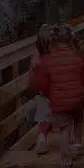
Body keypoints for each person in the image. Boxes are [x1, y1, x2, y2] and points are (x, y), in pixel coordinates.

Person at [31, 23, 84, 168]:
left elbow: (42, 83)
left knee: (64, 130)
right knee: (78, 118)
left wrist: (47, 93)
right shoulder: (76, 56)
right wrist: (81, 89)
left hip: (58, 102)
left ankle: (65, 162)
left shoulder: (47, 60)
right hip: (77, 98)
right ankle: (77, 144)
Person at [29, 24, 54, 155]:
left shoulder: (36, 56)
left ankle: (42, 138)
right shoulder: (54, 54)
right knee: (62, 117)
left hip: (42, 92)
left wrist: (34, 87)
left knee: (43, 117)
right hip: (55, 91)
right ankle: (67, 143)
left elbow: (32, 76)